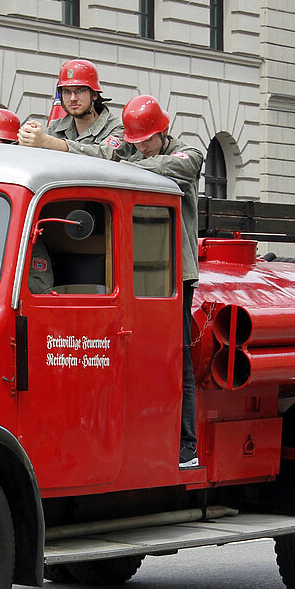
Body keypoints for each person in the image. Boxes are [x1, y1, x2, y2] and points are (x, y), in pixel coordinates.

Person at [118, 94, 205, 469]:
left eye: (147, 141)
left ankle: (187, 444)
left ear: (163, 132)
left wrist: (134, 162)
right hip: (137, 271)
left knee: (179, 358)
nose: (139, 147)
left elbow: (177, 168)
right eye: (135, 142)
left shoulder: (189, 155)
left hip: (177, 274)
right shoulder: (130, 150)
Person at [17, 59, 133, 160]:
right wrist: (28, 138)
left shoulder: (118, 128)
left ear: (94, 94)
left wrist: (49, 142)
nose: (73, 98)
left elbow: (105, 155)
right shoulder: (55, 128)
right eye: (67, 92)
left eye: (80, 90)